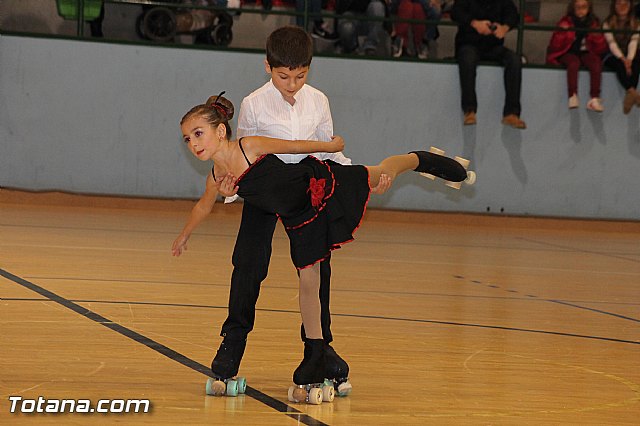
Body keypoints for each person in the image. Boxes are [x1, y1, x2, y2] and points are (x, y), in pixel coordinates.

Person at [173, 92, 473, 389]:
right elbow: (203, 205)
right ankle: (316, 354)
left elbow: (293, 146)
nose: (194, 144)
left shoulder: (248, 147)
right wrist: (185, 234)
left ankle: (416, 159)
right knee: (308, 282)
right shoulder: (216, 176)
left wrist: (329, 146)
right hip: (299, 218)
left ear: (221, 130)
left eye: (198, 134)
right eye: (188, 139)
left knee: (382, 173)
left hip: (316, 184)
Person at [450, 0, 526, 129]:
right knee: (468, 59)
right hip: (469, 42)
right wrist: (474, 23)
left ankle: (512, 113)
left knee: (514, 60)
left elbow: (513, 14)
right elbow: (456, 12)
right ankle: (469, 110)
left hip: (493, 45)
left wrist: (504, 27)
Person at [546, 0, 608, 111]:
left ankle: (594, 98)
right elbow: (554, 46)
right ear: (572, 8)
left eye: (584, 7)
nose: (580, 10)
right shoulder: (565, 22)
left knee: (596, 63)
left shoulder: (594, 23)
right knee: (573, 63)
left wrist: (597, 36)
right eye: (577, 7)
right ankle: (572, 95)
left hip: (586, 52)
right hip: (567, 52)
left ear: (589, 8)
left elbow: (601, 48)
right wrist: (561, 33)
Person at [603, 0, 640, 113]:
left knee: (636, 62)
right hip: (613, 54)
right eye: (619, 3)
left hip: (630, 52)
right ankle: (632, 92)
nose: (622, 7)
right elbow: (611, 43)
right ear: (614, 6)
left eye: (625, 4)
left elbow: (634, 42)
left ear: (630, 6)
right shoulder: (608, 23)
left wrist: (629, 59)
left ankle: (630, 94)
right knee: (619, 65)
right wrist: (623, 59)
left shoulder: (636, 23)